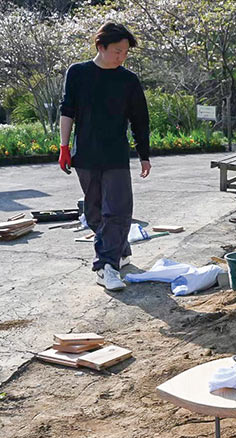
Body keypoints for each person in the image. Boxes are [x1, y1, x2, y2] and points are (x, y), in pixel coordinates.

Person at [59, 22, 151, 291]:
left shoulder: (128, 80)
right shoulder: (77, 73)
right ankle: (119, 248)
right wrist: (64, 147)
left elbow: (140, 120)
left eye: (125, 52)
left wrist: (143, 154)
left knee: (119, 209)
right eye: (117, 51)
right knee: (95, 212)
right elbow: (67, 111)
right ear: (101, 47)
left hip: (116, 154)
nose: (121, 57)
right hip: (86, 153)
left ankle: (106, 266)